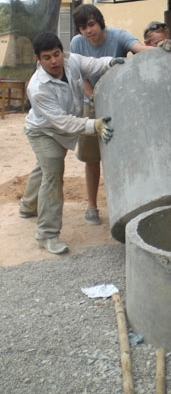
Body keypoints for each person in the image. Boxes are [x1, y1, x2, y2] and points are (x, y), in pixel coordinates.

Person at [18, 32, 123, 254]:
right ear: (38, 59)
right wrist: (93, 125)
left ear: (62, 52)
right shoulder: (37, 88)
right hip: (43, 132)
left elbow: (93, 64)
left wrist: (111, 62)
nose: (54, 61)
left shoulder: (71, 60)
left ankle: (28, 206)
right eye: (47, 57)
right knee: (53, 174)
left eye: (56, 54)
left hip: (63, 128)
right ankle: (47, 234)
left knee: (44, 168)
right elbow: (62, 121)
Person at [70, 4, 154, 226]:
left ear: (99, 21)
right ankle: (91, 206)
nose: (88, 31)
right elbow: (81, 75)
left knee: (127, 153)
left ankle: (132, 203)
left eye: (91, 24)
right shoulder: (77, 44)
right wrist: (93, 97)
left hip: (120, 104)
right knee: (91, 157)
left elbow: (139, 48)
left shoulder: (118, 36)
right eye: (82, 27)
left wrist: (165, 47)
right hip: (92, 105)